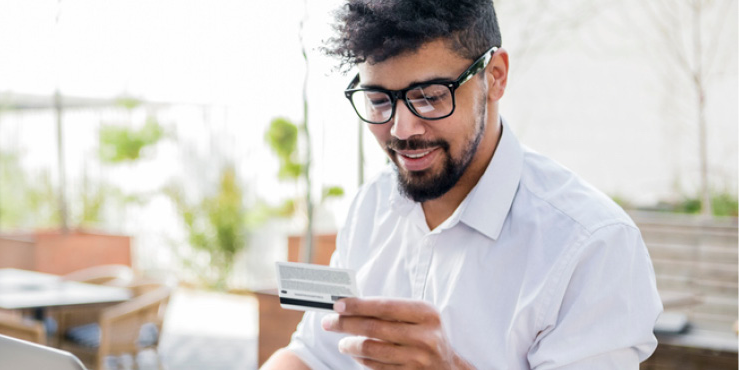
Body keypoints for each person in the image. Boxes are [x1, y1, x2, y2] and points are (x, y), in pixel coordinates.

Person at [262, 0, 663, 368]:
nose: (401, 130)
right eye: (379, 100)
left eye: (430, 96)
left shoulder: (593, 244)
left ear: (496, 77)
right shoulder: (372, 203)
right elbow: (312, 354)